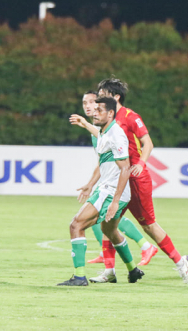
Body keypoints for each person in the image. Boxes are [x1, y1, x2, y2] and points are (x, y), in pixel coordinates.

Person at [96, 77, 188, 283]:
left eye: (103, 94)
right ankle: (109, 272)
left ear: (116, 97)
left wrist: (140, 163)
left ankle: (180, 262)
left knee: (148, 225)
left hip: (135, 179)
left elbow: (147, 143)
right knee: (108, 223)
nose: (99, 98)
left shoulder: (130, 117)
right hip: (117, 179)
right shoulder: (107, 120)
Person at [60, 96, 145, 286]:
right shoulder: (106, 131)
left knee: (76, 225)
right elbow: (101, 136)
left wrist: (115, 201)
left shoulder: (116, 134)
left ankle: (80, 277)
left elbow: (125, 168)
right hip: (108, 189)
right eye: (94, 109)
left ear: (111, 113)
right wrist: (84, 124)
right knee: (110, 230)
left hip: (110, 191)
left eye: (99, 110)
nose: (94, 112)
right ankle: (133, 270)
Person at [79, 90, 158, 283]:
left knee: (86, 223)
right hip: (106, 187)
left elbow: (123, 165)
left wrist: (112, 196)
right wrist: (90, 184)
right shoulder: (99, 130)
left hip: (114, 188)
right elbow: (103, 162)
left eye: (93, 103)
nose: (89, 107)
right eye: (85, 103)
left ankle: (142, 248)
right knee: (107, 226)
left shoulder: (115, 130)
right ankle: (124, 268)